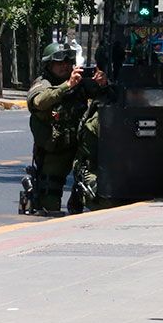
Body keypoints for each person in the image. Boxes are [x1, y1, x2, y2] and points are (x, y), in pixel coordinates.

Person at [25, 43, 108, 216]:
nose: (64, 66)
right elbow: (39, 102)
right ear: (49, 65)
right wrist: (67, 86)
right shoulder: (42, 83)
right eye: (59, 63)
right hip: (55, 149)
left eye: (68, 62)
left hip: (80, 147)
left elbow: (104, 94)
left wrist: (103, 83)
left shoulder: (79, 82)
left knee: (93, 187)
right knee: (48, 200)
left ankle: (79, 197)